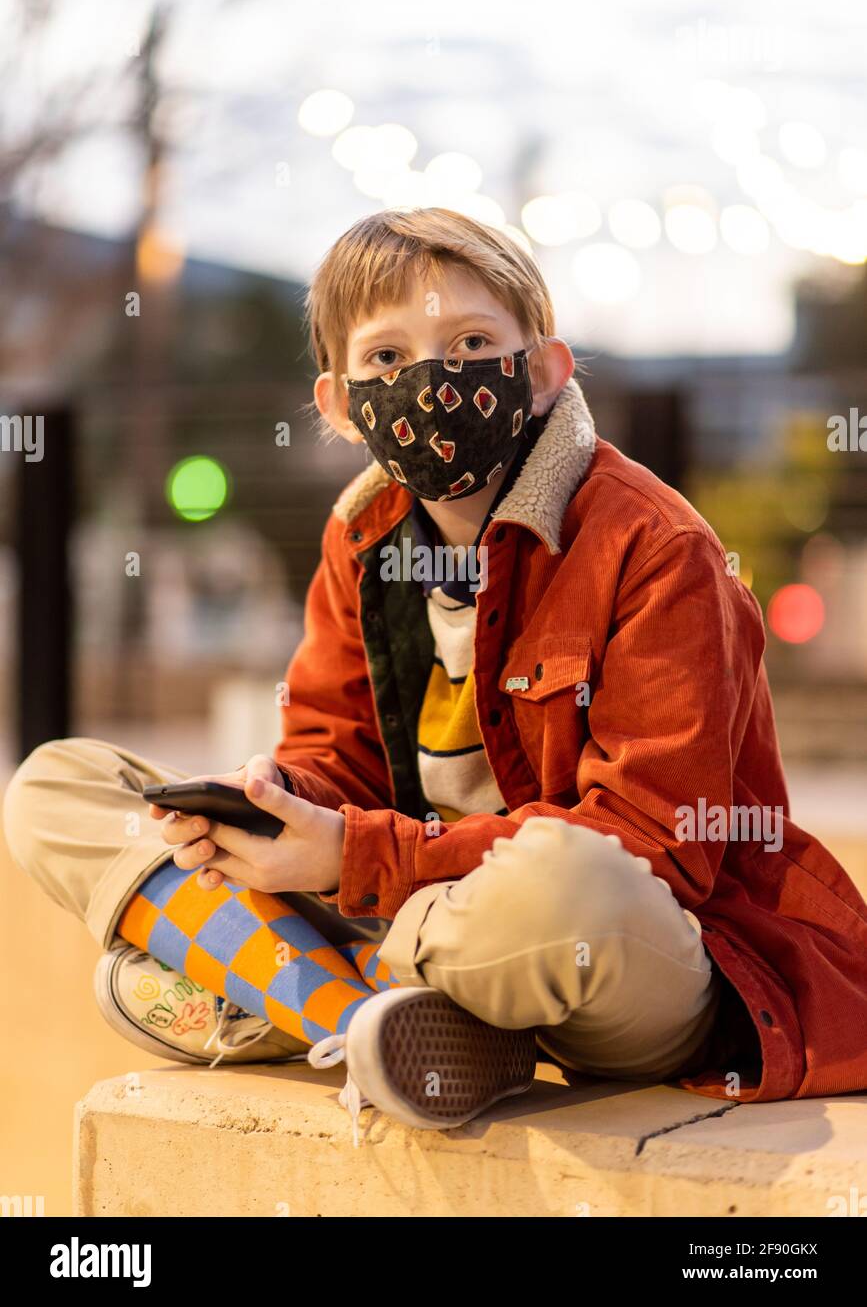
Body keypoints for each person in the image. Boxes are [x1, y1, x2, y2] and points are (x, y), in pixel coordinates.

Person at [6, 207, 867, 1145]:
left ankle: (283, 987)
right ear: (338, 406)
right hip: (410, 909)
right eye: (386, 359)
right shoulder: (360, 537)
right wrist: (273, 803)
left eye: (469, 343)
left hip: (624, 949)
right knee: (58, 783)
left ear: (542, 371)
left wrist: (351, 858)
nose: (430, 382)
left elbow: (658, 849)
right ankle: (383, 1024)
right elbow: (332, 753)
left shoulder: (656, 549)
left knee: (566, 879)